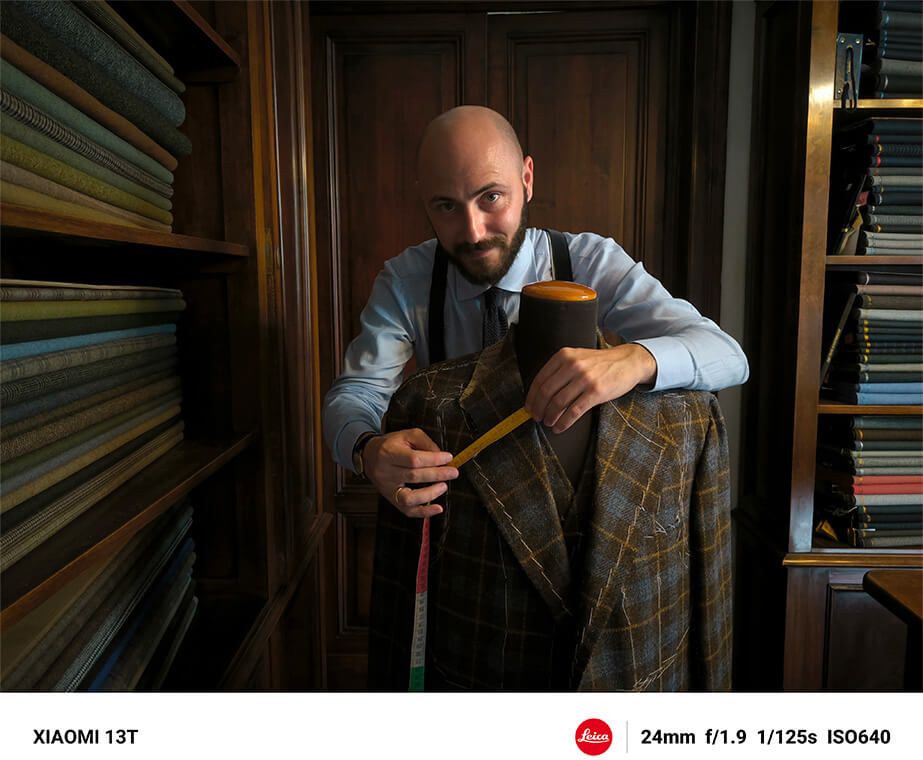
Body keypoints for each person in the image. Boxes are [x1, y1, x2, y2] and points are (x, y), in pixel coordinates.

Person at [322, 105, 748, 515]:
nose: (473, 232)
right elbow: (358, 392)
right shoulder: (405, 281)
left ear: (526, 179)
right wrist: (366, 449)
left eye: (491, 197)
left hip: (574, 513)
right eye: (446, 206)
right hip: (458, 510)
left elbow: (728, 355)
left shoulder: (591, 262)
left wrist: (634, 360)